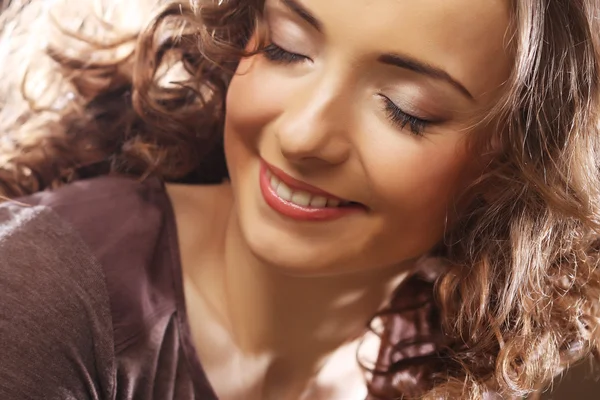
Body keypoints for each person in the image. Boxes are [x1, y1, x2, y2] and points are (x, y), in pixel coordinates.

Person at [0, 0, 599, 399]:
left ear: (516, 169)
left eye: (405, 109)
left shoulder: (432, 362)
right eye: (287, 49)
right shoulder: (36, 293)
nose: (303, 134)